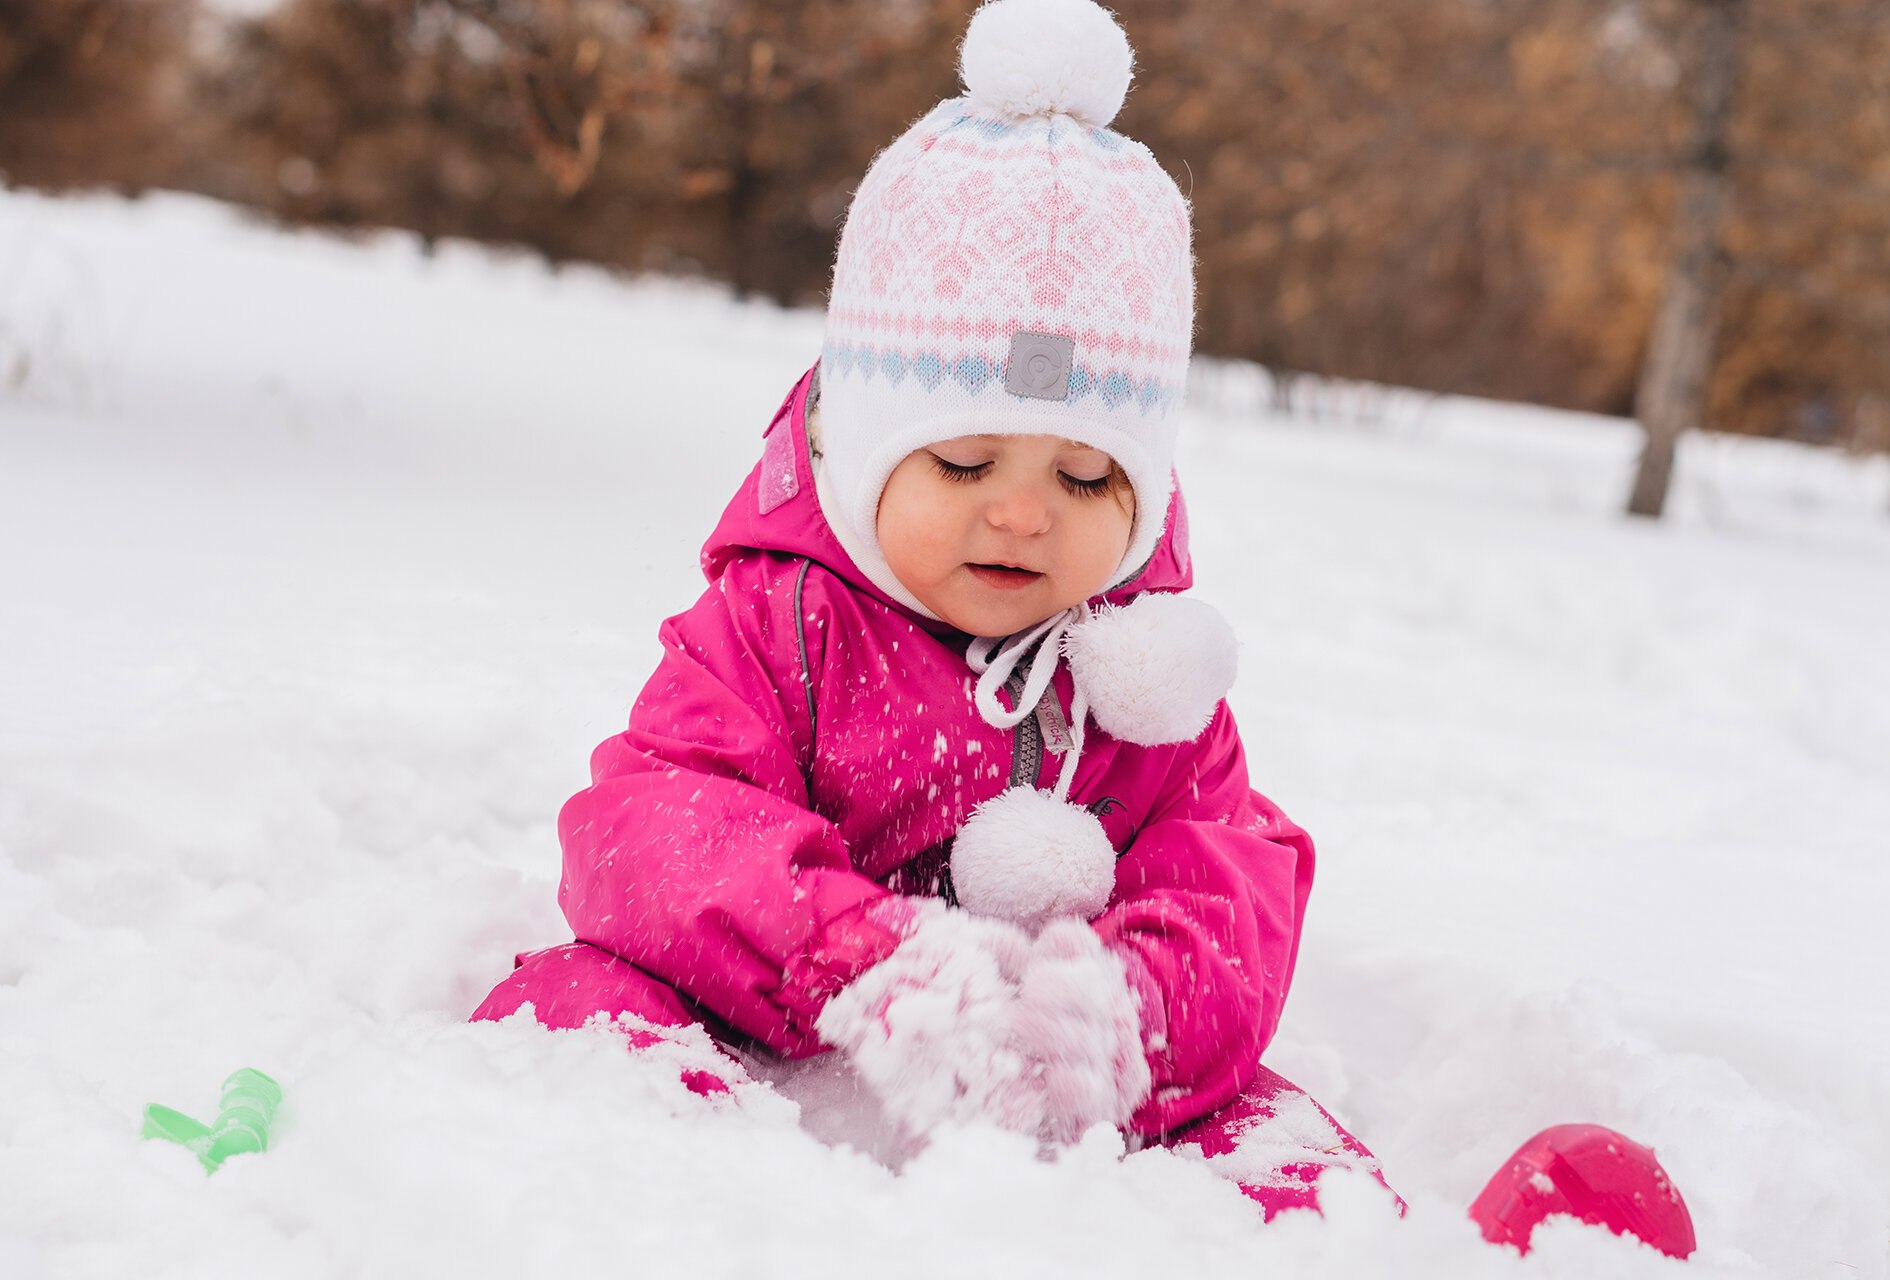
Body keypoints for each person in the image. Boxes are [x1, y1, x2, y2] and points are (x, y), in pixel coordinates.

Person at [472, 0, 1694, 1253]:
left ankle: (1361, 1255)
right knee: (570, 1006)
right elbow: (649, 823)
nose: (1020, 516)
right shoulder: (780, 620)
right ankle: (667, 1221)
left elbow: (1229, 875)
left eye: (1085, 477)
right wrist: (853, 958)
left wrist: (1126, 1015)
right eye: (960, 459)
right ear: (858, 450)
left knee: (1257, 1127)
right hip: (775, 1042)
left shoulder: (1142, 668)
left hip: (1063, 1110)